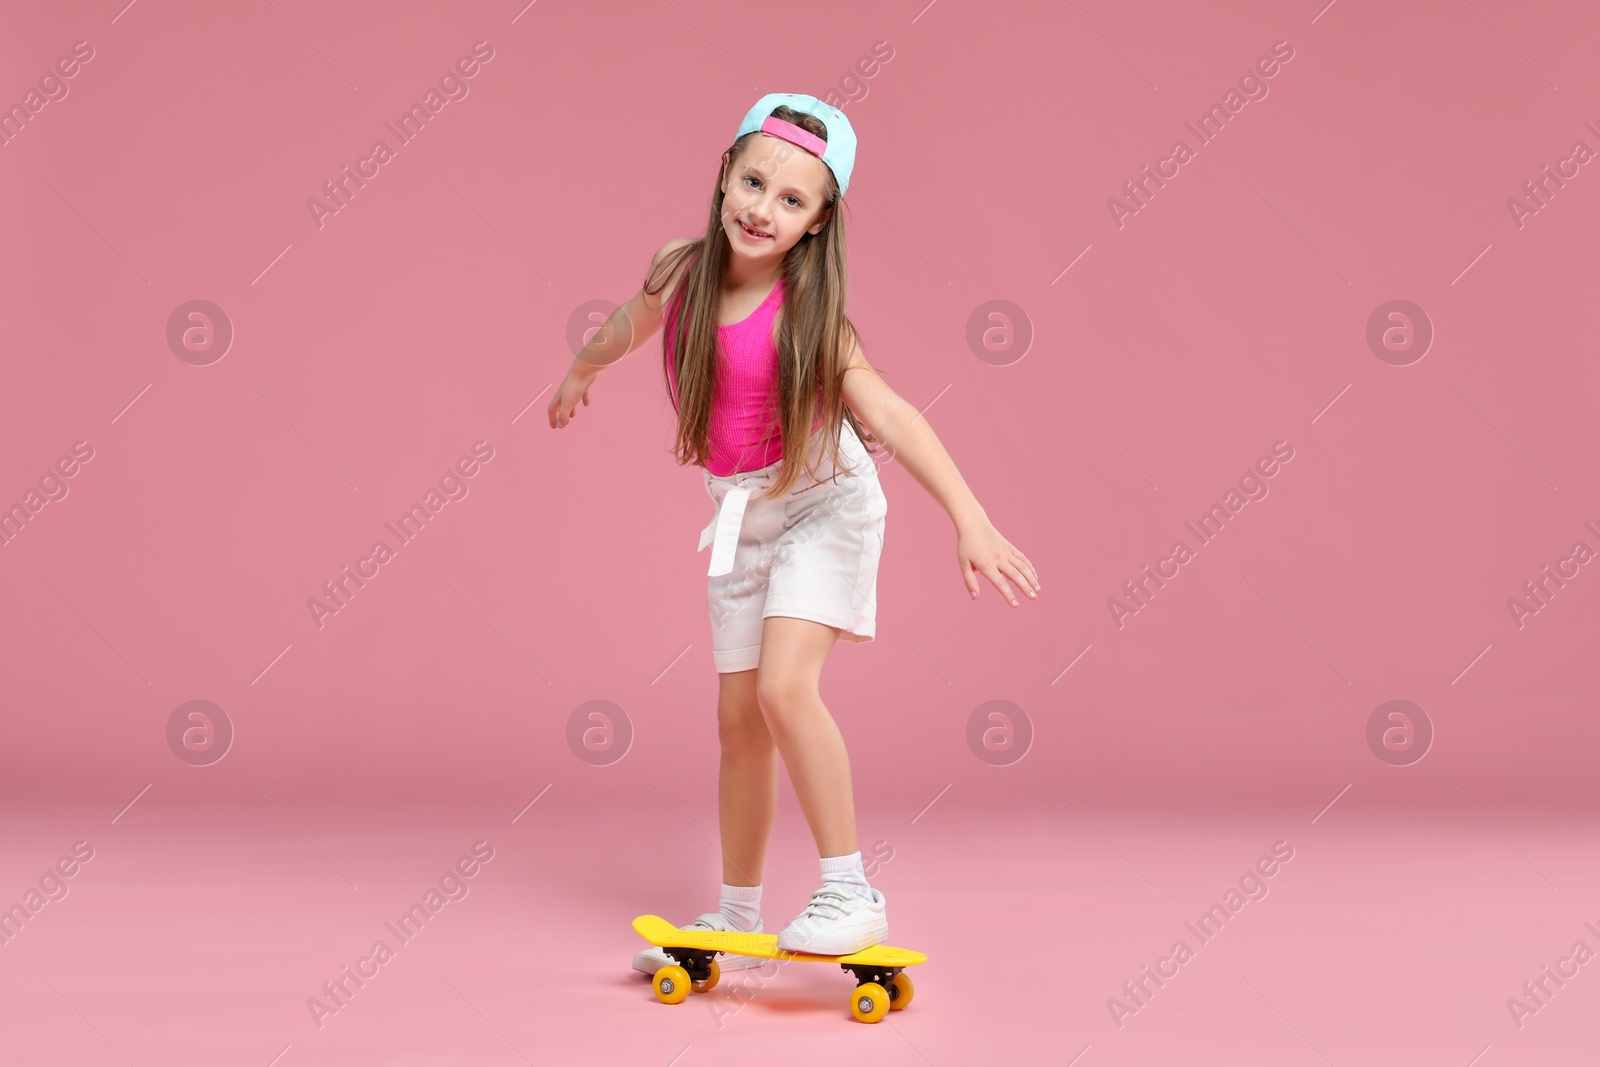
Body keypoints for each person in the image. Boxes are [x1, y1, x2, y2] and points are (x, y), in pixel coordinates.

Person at [548, 93, 1041, 973]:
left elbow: (890, 412)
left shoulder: (813, 321)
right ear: (724, 173)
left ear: (817, 225)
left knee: (783, 688)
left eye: (790, 201)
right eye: (752, 182)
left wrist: (971, 518)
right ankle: (737, 913)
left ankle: (851, 890)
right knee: (738, 719)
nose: (760, 209)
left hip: (824, 503)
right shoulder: (682, 269)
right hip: (740, 513)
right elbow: (634, 320)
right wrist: (584, 368)